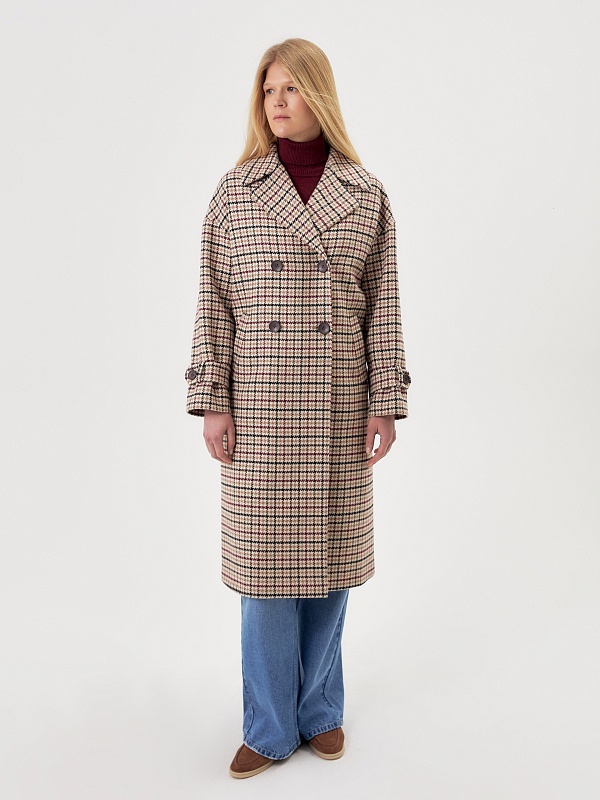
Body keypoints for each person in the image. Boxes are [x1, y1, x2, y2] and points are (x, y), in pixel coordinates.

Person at [184, 37, 411, 779]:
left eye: (291, 87)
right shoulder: (234, 192)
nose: (277, 101)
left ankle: (319, 712)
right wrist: (211, 400)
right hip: (260, 406)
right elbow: (214, 305)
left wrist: (386, 400)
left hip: (338, 403)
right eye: (267, 89)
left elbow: (383, 308)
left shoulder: (366, 194)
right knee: (264, 574)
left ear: (321, 94)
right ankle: (270, 725)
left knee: (330, 566)